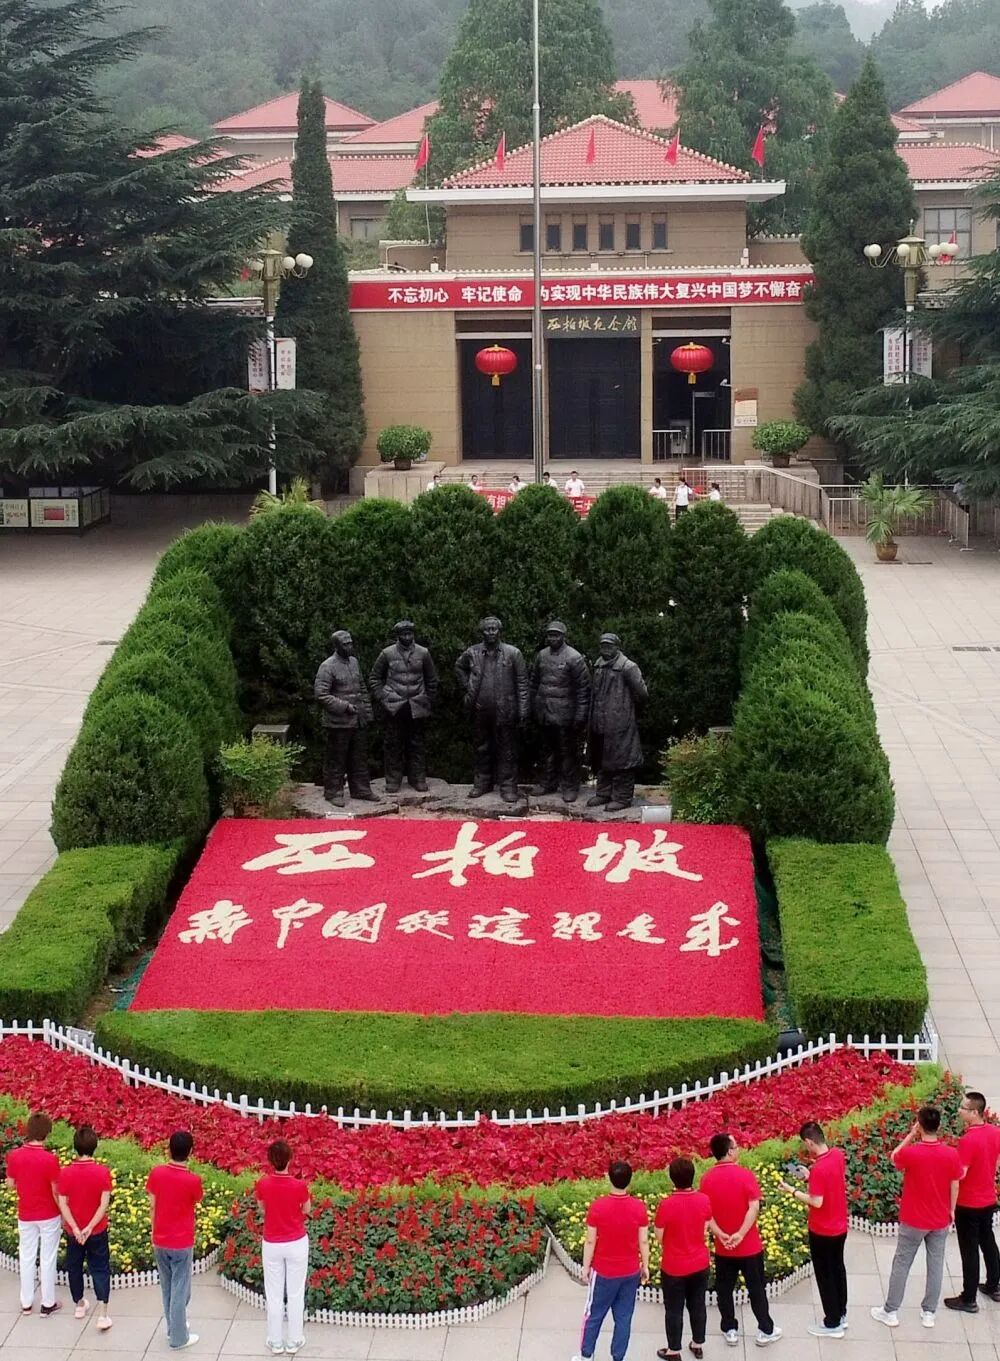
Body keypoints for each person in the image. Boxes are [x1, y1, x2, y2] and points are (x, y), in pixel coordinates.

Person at [872, 1106, 963, 1330]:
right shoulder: (951, 1154)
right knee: (936, 1264)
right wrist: (952, 1209)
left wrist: (911, 1135)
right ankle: (929, 1312)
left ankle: (891, 1311)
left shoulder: (912, 1153)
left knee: (902, 1263)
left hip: (913, 1219)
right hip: (940, 1218)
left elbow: (894, 1156)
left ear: (919, 1125)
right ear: (938, 1126)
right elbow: (955, 1183)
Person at [701, 1133, 782, 1347]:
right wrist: (741, 1234)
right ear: (729, 1151)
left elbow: (706, 1214)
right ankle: (765, 1329)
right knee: (756, 1288)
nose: (738, 1149)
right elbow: (754, 1207)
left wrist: (720, 1234)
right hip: (749, 1246)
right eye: (736, 1146)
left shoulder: (707, 1179)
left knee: (724, 1289)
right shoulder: (745, 1175)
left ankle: (729, 1329)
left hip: (723, 1247)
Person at [572, 1160, 649, 1361]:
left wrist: (586, 1267)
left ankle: (586, 1355)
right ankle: (618, 1357)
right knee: (624, 1318)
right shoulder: (639, 1207)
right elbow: (643, 1241)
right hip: (630, 1271)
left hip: (604, 1272)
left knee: (594, 1315)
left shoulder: (598, 1207)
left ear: (609, 1179)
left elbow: (590, 1241)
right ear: (630, 1180)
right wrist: (646, 1266)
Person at [779, 1120, 848, 1338]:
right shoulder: (836, 1155)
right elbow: (831, 1182)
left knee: (825, 1276)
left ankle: (832, 1322)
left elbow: (816, 1201)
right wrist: (810, 1177)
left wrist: (792, 1191)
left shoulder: (819, 1168)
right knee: (838, 1270)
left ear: (809, 1142)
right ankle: (841, 1313)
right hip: (840, 1225)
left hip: (823, 1230)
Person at [654, 1156, 723, 1361]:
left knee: (674, 1309)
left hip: (674, 1265)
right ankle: (697, 1343)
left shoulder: (666, 1205)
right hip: (699, 1262)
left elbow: (659, 1235)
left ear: (672, 1178)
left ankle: (674, 1350)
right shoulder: (703, 1200)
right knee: (698, 1304)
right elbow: (707, 1224)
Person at [455, 616, 529, 803]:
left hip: (506, 709)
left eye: (493, 629)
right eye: (487, 629)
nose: (490, 632)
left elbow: (522, 683)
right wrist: (468, 686)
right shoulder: (472, 652)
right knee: (481, 747)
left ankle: (508, 786)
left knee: (507, 749)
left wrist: (523, 710)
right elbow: (459, 667)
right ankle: (482, 783)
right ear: (482, 632)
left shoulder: (513, 653)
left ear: (499, 631)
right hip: (480, 709)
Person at [146, 1130, 204, 1351]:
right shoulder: (193, 1180)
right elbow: (196, 1200)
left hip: (160, 1238)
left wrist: (153, 1231)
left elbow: (152, 1205)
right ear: (190, 1152)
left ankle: (173, 1327)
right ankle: (178, 1338)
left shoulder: (157, 1174)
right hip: (181, 1241)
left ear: (169, 1149)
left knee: (168, 1287)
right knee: (180, 1289)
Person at [944, 1091, 1000, 1313]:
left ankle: (968, 1298)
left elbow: (960, 1175)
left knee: (969, 1251)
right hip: (988, 1198)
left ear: (975, 1112)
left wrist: (951, 1206)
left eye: (963, 1108)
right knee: (988, 1242)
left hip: (969, 1204)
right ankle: (994, 1285)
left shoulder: (968, 1140)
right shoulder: (994, 1132)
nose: (959, 1110)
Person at [255, 1139, 312, 1356]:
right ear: (290, 1159)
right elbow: (306, 1209)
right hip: (296, 1241)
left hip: (272, 1242)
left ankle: (275, 1340)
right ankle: (295, 1339)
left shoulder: (263, 1184)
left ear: (270, 1160)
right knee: (296, 1292)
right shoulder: (299, 1186)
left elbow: (262, 1208)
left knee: (274, 1293)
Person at [369, 620, 439, 793]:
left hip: (417, 705)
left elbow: (432, 679)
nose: (407, 637)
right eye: (404, 634)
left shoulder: (423, 653)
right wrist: (384, 697)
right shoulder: (387, 653)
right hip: (394, 706)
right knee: (393, 744)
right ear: (398, 636)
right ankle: (393, 780)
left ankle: (418, 778)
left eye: (410, 634)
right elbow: (374, 678)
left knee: (417, 744)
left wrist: (427, 699)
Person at [314, 630, 380, 807]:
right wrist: (345, 706)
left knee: (359, 757)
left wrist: (367, 712)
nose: (350, 646)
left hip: (358, 720)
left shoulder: (354, 662)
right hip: (338, 723)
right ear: (337, 646)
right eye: (345, 644)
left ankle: (361, 789)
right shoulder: (327, 666)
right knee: (336, 759)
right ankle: (333, 792)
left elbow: (362, 688)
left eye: (350, 642)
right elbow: (321, 694)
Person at [5, 1111, 62, 1316]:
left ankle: (26, 1301)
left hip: (26, 1213)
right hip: (49, 1214)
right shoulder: (50, 1159)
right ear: (46, 1132)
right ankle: (48, 1302)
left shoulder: (14, 1156)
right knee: (48, 1257)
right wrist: (64, 1212)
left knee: (26, 1256)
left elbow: (10, 1184)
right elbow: (56, 1191)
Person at [57, 1125, 113, 1330]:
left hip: (74, 1232)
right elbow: (103, 1204)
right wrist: (90, 1227)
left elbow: (63, 1203)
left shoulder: (66, 1173)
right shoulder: (102, 1172)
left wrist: (76, 1227)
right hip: (97, 1230)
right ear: (94, 1146)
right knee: (100, 1268)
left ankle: (79, 1304)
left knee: (74, 1266)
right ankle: (103, 1314)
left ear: (75, 1147)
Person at [530, 620, 591, 803]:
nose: (553, 638)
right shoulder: (541, 655)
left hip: (566, 715)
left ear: (563, 636)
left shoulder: (574, 657)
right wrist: (533, 706)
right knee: (546, 750)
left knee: (568, 752)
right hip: (544, 712)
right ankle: (547, 782)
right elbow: (534, 682)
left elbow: (583, 689)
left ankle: (570, 786)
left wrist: (580, 714)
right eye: (550, 635)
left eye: (556, 635)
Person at [587, 634, 648, 813]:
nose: (605, 649)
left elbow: (642, 694)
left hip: (620, 722)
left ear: (617, 647)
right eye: (603, 645)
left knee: (623, 760)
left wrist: (625, 709)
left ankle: (622, 797)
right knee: (601, 757)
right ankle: (604, 792)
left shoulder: (628, 667)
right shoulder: (598, 665)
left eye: (609, 645)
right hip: (599, 721)